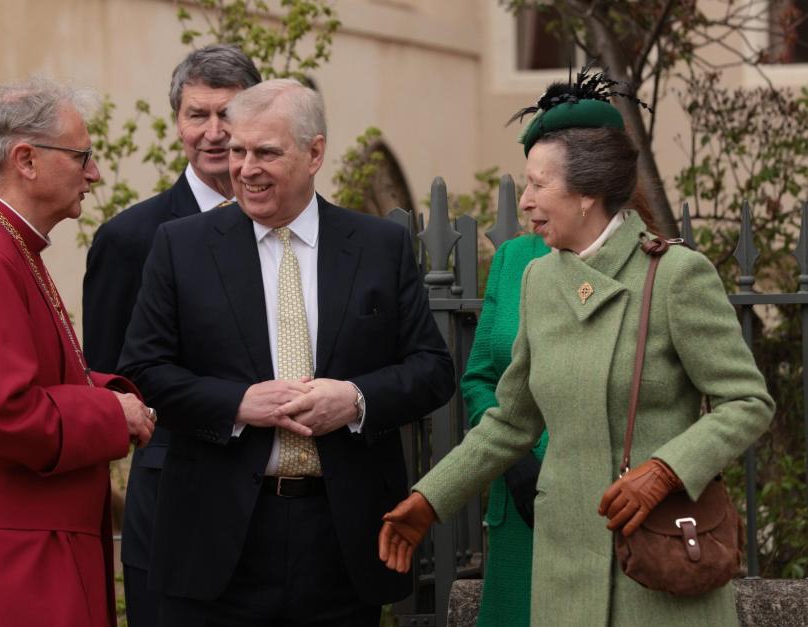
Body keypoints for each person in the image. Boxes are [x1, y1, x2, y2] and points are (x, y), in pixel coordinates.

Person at [378, 67, 775, 626]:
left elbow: (747, 403)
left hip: (658, 567)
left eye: (539, 185)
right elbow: (511, 422)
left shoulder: (676, 276)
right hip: (563, 574)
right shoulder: (539, 280)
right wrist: (430, 499)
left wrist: (666, 469)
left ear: (587, 194)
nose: (527, 202)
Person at [118, 78, 455, 627]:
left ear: (315, 152)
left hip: (341, 539)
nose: (245, 168)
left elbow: (432, 371)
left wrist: (355, 399)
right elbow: (143, 372)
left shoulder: (377, 247)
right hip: (217, 540)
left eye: (266, 152)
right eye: (238, 151)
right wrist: (237, 404)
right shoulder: (181, 247)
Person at [0, 77, 155, 627]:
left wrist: (113, 394)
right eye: (82, 156)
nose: (93, 172)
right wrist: (108, 413)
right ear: (26, 159)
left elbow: (38, 376)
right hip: (13, 558)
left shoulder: (9, 246)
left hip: (33, 543)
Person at [82, 44, 261, 627]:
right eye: (197, 114)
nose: (213, 132)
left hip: (285, 506)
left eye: (228, 114)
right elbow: (109, 377)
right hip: (177, 499)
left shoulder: (295, 227)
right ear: (176, 122)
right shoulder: (130, 238)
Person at [461, 233, 549, 627]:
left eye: (541, 182)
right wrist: (513, 458)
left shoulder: (650, 258)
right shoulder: (514, 256)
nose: (527, 199)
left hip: (609, 501)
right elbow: (478, 379)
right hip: (520, 510)